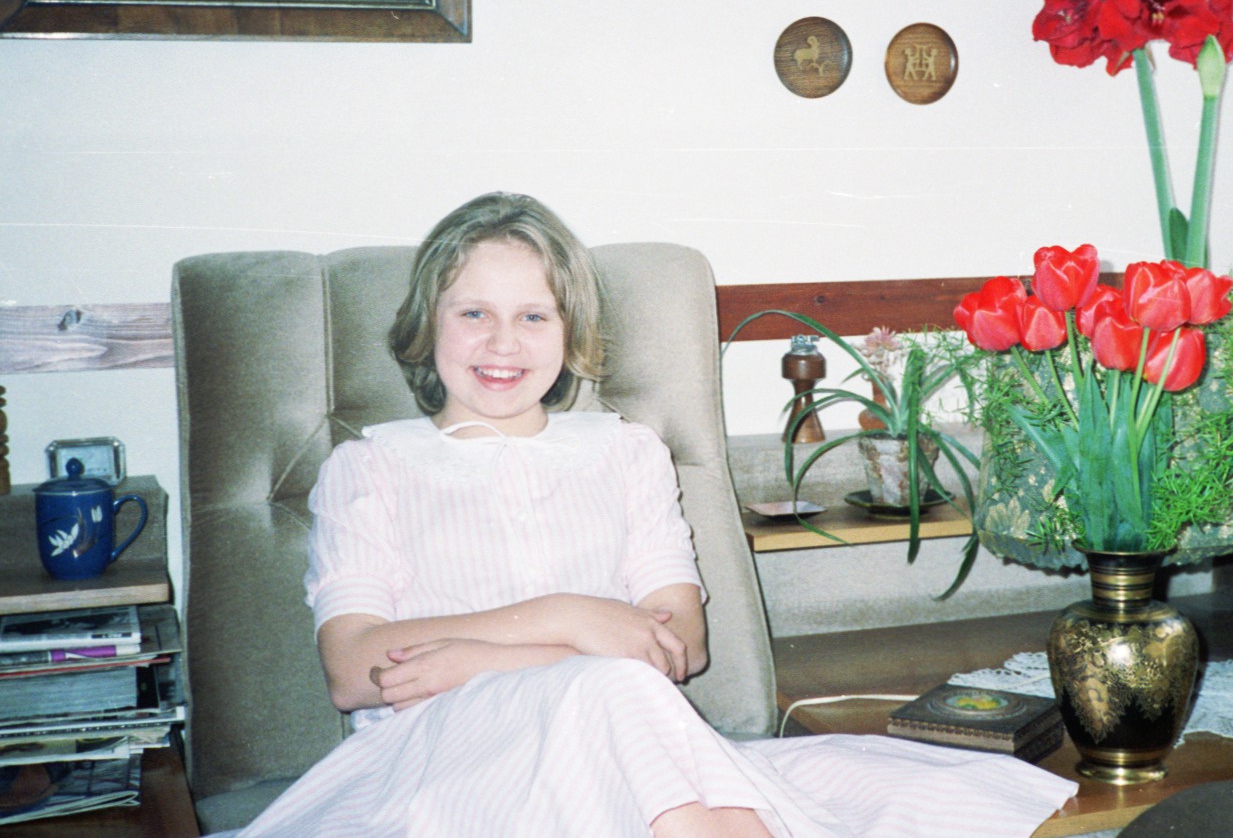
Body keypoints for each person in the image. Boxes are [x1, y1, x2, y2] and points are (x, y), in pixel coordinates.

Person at [228, 192, 1075, 838]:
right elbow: (355, 668)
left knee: (893, 793)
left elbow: (679, 643)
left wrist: (473, 653)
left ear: (567, 334)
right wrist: (578, 621)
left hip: (619, 725)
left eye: (532, 315)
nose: (502, 342)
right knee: (645, 722)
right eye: (473, 312)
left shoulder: (623, 451)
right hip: (443, 765)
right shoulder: (371, 467)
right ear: (427, 325)